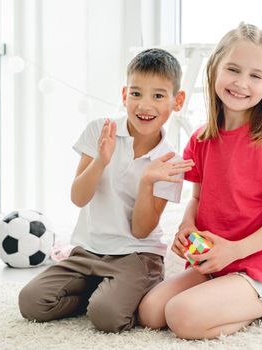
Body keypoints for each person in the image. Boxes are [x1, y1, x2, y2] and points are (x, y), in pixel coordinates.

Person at [138, 23, 262, 339]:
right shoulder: (201, 138)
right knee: (150, 312)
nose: (242, 83)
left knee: (180, 316)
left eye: (255, 76)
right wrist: (186, 227)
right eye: (233, 70)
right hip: (212, 265)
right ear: (214, 70)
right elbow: (197, 198)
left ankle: (259, 306)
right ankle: (217, 300)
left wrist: (235, 251)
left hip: (255, 271)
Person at [18, 48, 194, 333]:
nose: (145, 105)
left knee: (108, 318)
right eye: (136, 94)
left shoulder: (170, 162)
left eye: (158, 96)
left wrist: (148, 181)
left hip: (136, 255)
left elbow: (141, 230)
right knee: (32, 303)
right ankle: (101, 293)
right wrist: (101, 160)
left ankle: (118, 294)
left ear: (178, 101)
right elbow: (78, 197)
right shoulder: (100, 130)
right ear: (125, 95)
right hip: (88, 251)